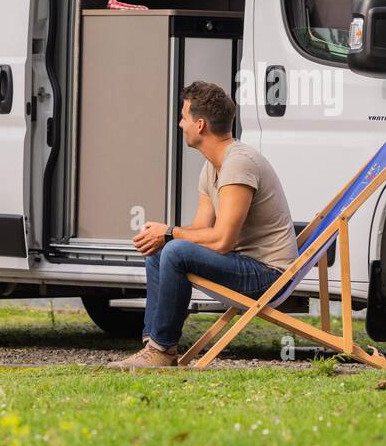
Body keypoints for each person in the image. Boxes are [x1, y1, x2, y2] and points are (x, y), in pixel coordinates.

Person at [110, 81, 298, 369]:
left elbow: (221, 241)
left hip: (267, 276)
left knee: (173, 249)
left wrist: (169, 233)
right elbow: (200, 229)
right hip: (244, 264)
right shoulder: (212, 165)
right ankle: (154, 346)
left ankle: (162, 348)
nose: (180, 124)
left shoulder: (238, 164)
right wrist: (162, 235)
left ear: (200, 125)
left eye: (184, 117)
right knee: (161, 251)